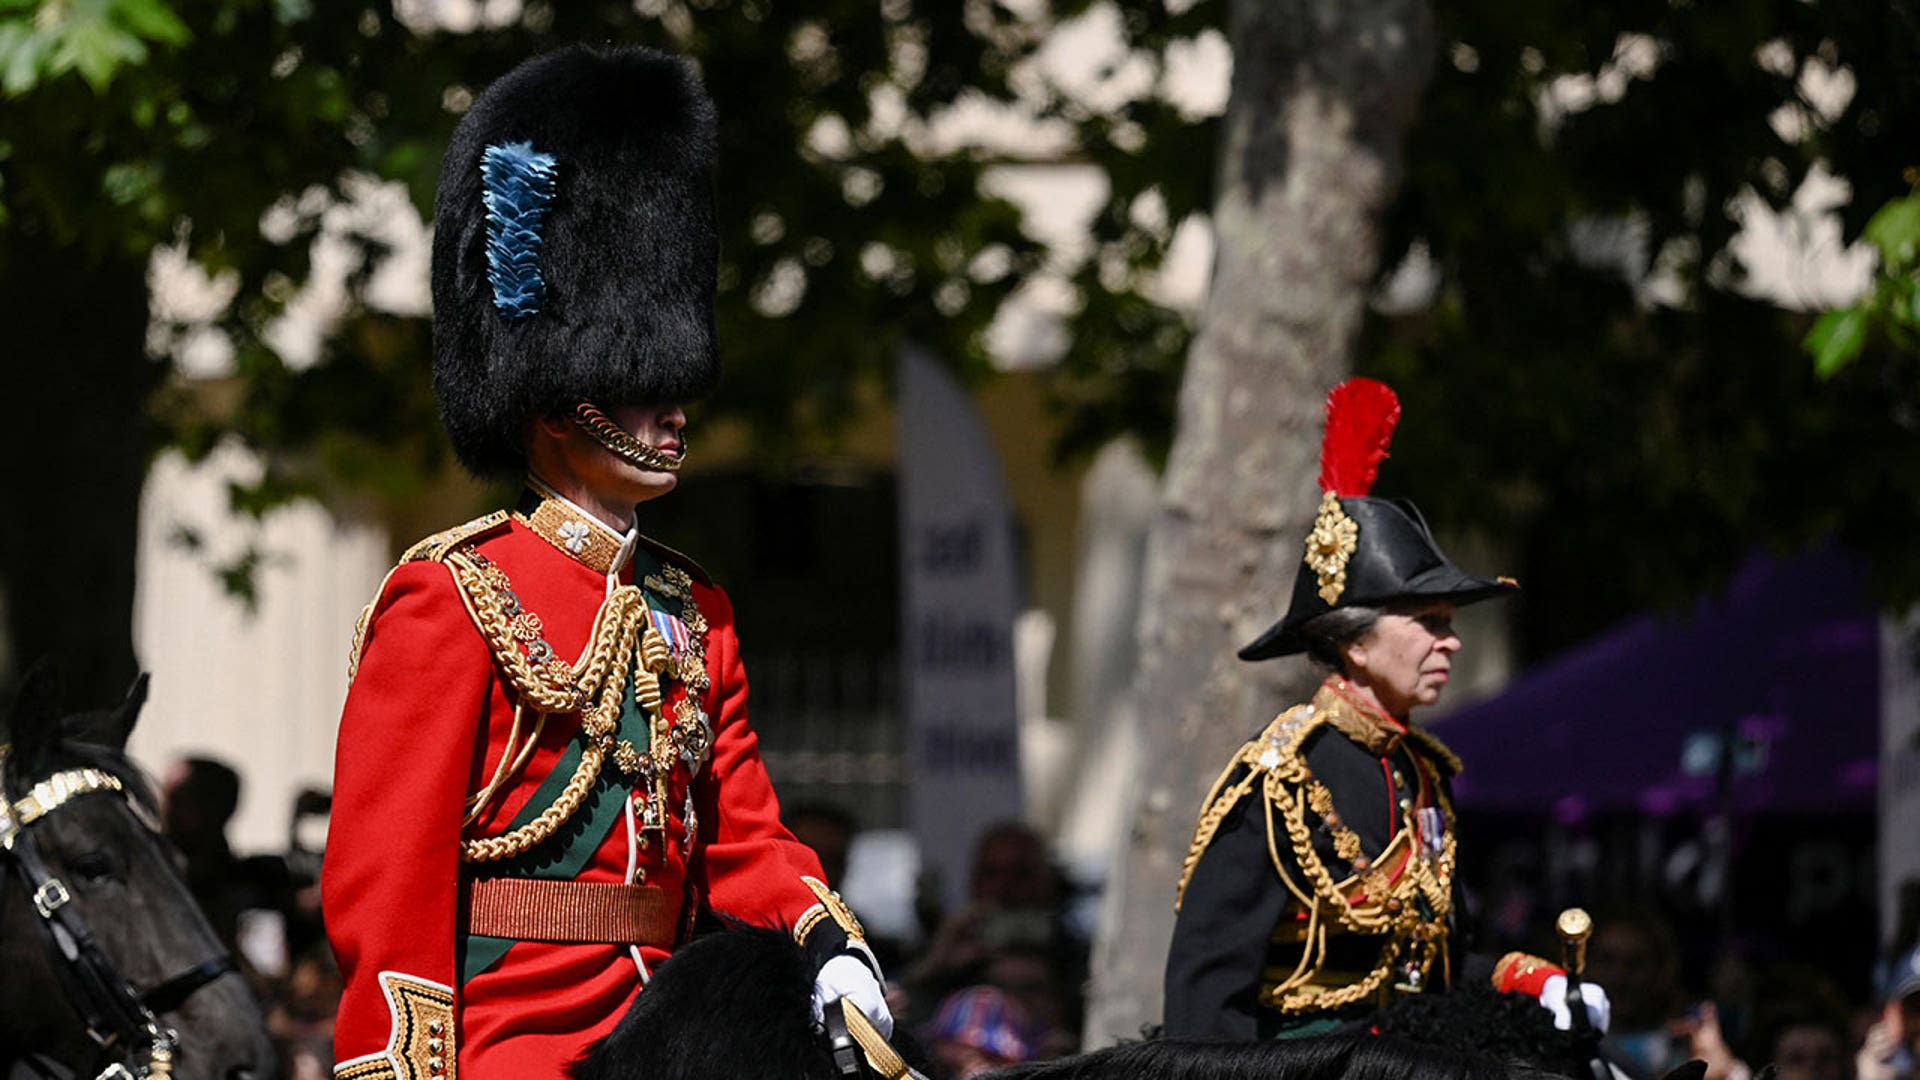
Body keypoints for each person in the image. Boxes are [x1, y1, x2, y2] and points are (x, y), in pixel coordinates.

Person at [322, 45, 888, 1077]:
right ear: (555, 397)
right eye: (638, 384)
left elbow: (745, 837)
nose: (674, 410)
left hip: (674, 1036)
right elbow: (387, 879)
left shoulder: (693, 606)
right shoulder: (454, 595)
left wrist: (829, 943)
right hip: (507, 1047)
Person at [1163, 378, 1601, 1040]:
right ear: (1356, 644)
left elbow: (1438, 967)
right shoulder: (1279, 781)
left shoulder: (1423, 774)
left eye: (1449, 622)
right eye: (1427, 621)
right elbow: (1205, 1006)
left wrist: (1538, 983)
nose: (1449, 641)